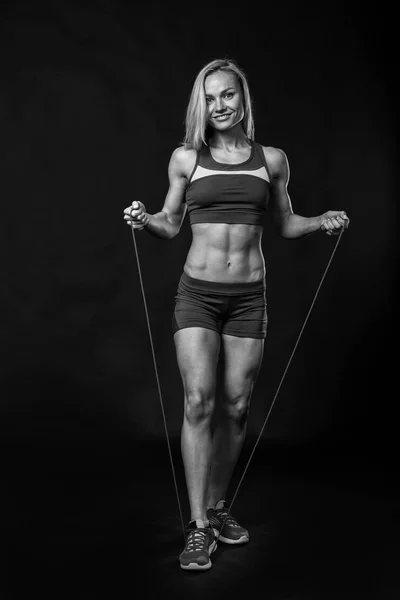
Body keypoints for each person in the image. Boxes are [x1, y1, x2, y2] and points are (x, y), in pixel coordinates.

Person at [123, 58, 349, 571]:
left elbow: (287, 223)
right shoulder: (186, 159)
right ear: (200, 106)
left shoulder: (272, 160)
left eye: (228, 95)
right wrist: (145, 219)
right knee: (200, 401)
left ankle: (218, 507)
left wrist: (323, 222)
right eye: (211, 98)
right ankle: (198, 527)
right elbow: (170, 222)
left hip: (250, 298)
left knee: (237, 407)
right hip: (197, 295)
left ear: (243, 100)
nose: (220, 105)